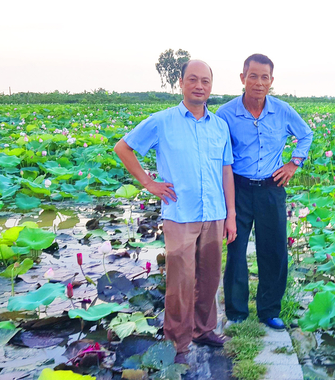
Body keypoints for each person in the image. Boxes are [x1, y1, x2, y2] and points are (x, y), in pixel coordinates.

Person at [114, 60, 237, 365]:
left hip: (214, 212)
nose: (199, 86)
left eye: (205, 81)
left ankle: (204, 329)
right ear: (180, 82)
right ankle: (178, 344)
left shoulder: (220, 126)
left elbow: (226, 171)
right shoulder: (161, 121)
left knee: (210, 278)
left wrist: (231, 213)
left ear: (211, 86)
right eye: (192, 79)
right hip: (180, 213)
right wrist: (148, 183)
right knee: (180, 283)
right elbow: (123, 148)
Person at [216, 54, 313, 330]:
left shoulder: (282, 111)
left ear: (271, 81)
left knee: (273, 250)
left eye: (264, 77)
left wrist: (294, 164)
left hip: (272, 188)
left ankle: (269, 310)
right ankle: (236, 312)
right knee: (235, 249)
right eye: (253, 76)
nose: (258, 83)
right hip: (239, 188)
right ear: (242, 78)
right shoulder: (225, 114)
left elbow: (306, 134)